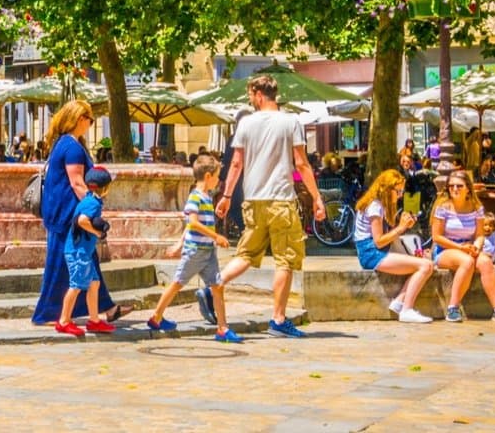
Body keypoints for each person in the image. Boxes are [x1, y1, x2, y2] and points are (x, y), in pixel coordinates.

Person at [215, 73, 325, 338]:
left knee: (246, 254)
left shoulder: (245, 124)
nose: (250, 100)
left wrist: (227, 196)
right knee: (284, 260)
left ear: (258, 94)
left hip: (253, 200)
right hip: (281, 200)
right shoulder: (291, 122)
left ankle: (215, 284)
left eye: (251, 95)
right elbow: (301, 163)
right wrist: (316, 198)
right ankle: (277, 319)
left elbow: (236, 163)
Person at [32, 99, 120, 325]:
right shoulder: (72, 147)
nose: (91, 124)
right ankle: (48, 314)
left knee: (85, 261)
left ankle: (106, 308)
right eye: (90, 120)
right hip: (68, 215)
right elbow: (78, 183)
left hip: (61, 213)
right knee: (64, 264)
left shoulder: (63, 143)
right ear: (81, 119)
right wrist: (93, 208)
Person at [145, 159, 242, 342]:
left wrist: (181, 244)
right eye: (216, 176)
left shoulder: (206, 197)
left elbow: (192, 225)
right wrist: (216, 237)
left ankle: (222, 328)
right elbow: (193, 223)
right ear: (207, 176)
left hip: (207, 251)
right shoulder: (195, 197)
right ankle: (156, 317)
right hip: (196, 251)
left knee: (218, 286)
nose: (218, 180)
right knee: (177, 283)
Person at [352, 169, 435, 323]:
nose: (401, 195)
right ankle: (406, 310)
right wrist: (401, 228)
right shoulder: (375, 206)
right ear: (387, 189)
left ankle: (399, 303)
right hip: (372, 253)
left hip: (377, 251)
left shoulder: (379, 205)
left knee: (425, 265)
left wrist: (403, 226)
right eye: (398, 191)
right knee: (425, 266)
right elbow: (378, 241)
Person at [432, 169, 495, 324]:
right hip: (446, 249)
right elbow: (437, 237)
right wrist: (460, 247)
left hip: (469, 248)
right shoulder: (442, 208)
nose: (454, 189)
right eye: (451, 186)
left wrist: (477, 246)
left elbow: (480, 235)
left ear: (468, 188)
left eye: (459, 186)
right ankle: (452, 308)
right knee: (467, 262)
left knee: (486, 262)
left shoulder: (477, 208)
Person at [51, 167, 116, 336]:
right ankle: (64, 321)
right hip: (78, 253)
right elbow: (82, 221)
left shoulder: (89, 200)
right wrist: (98, 232)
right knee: (76, 286)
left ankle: (94, 321)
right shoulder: (93, 203)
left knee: (94, 283)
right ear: (105, 188)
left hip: (82, 252)